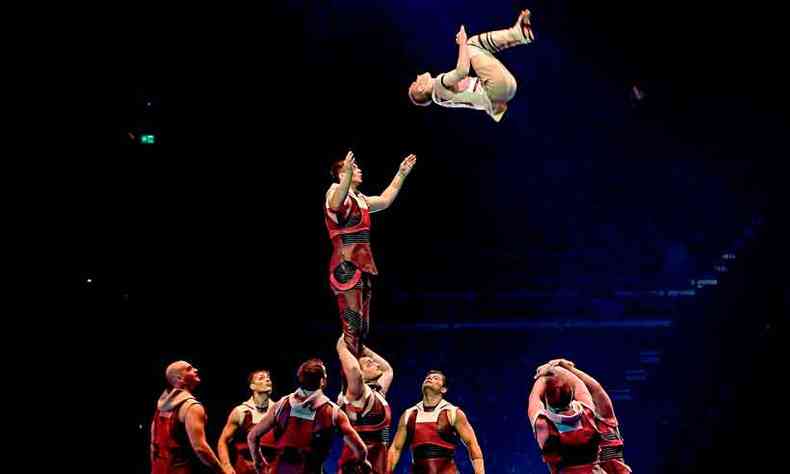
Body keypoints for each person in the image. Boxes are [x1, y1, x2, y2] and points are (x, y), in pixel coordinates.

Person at [325, 150, 416, 358]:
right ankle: (350, 386)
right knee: (352, 326)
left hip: (361, 264)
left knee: (362, 329)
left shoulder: (359, 199)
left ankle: (355, 379)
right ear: (342, 174)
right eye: (354, 168)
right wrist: (347, 175)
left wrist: (401, 174)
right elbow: (336, 203)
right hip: (345, 265)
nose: (359, 170)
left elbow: (384, 201)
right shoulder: (334, 193)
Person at [247, 358, 372, 474]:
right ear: (322, 381)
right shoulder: (333, 413)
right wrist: (363, 462)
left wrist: (259, 463)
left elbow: (252, 437)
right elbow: (361, 450)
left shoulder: (281, 405)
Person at [408, 10, 535, 122]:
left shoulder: (441, 97)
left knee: (474, 46)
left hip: (503, 92)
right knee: (471, 45)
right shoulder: (438, 86)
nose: (418, 76)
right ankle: (517, 34)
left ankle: (518, 34)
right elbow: (463, 70)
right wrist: (462, 42)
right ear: (420, 89)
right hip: (496, 88)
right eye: (415, 81)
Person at [534, 360, 631, 473]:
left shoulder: (552, 431)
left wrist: (549, 375)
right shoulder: (598, 418)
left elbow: (595, 390)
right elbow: (595, 389)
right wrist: (565, 369)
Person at [387, 370, 484, 474]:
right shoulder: (408, 414)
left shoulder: (453, 413)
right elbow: (395, 449)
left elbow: (472, 444)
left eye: (435, 378)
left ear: (443, 389)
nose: (429, 378)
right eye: (427, 377)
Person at [150, 360, 233, 474]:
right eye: (189, 369)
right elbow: (200, 448)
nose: (196, 370)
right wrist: (222, 471)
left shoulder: (161, 406)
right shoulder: (191, 407)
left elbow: (153, 445)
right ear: (180, 379)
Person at [528, 365, 603, 474]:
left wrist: (543, 377)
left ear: (547, 399)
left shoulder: (542, 424)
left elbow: (534, 396)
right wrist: (558, 368)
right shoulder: (588, 413)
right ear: (572, 393)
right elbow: (578, 384)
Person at [336, 336, 394, 473]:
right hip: (357, 466)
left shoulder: (377, 392)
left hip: (377, 463)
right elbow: (354, 371)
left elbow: (388, 370)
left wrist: (362, 348)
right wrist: (346, 339)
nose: (376, 364)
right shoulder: (357, 393)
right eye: (369, 364)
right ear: (361, 374)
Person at [218, 370, 279, 474]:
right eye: (261, 378)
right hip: (246, 469)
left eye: (268, 378)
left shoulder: (279, 410)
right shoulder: (241, 411)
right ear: (252, 386)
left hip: (271, 469)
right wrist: (226, 466)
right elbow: (222, 441)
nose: (268, 380)